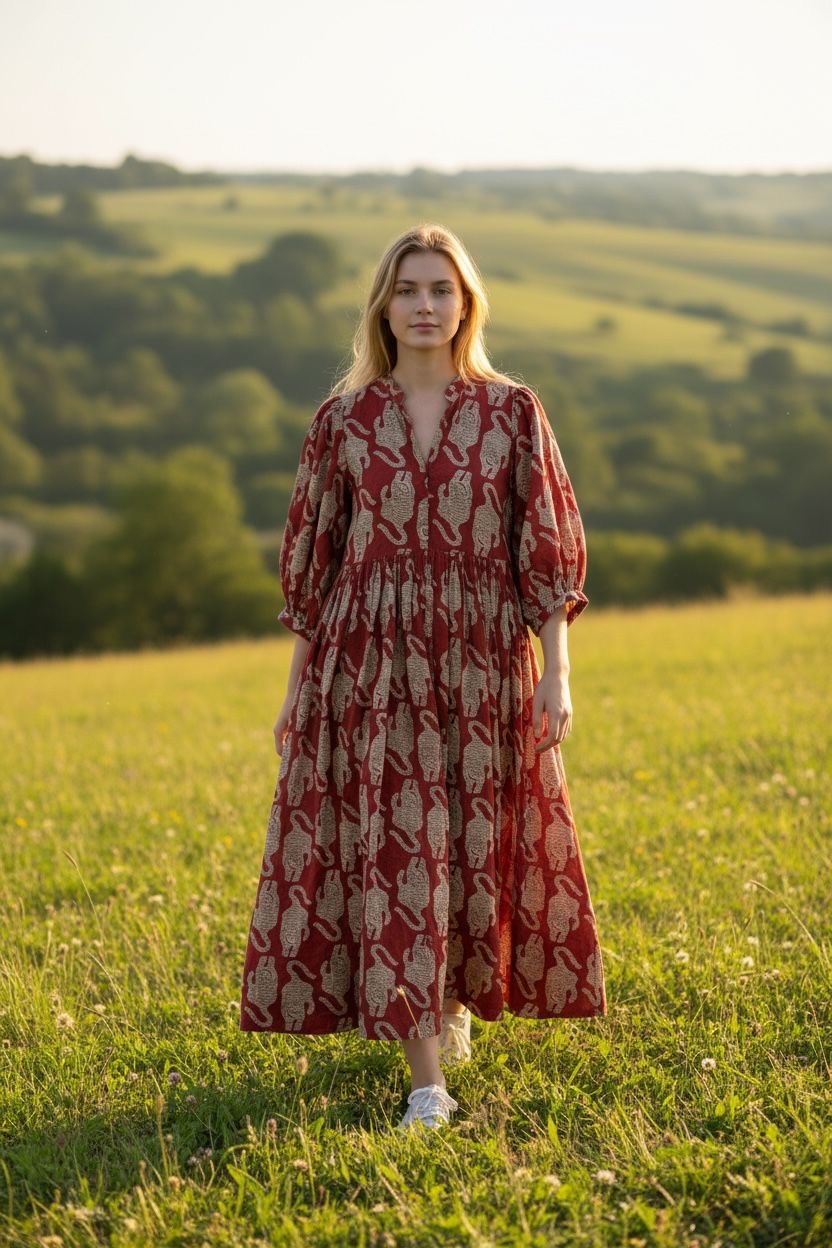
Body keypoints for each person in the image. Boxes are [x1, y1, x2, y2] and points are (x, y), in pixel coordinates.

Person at [239, 223, 607, 1132]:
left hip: (484, 659)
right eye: (407, 289)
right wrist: (295, 691)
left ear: (466, 302)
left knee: (472, 844)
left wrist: (557, 673)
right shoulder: (342, 423)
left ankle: (449, 1000)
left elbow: (547, 552)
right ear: (383, 306)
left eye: (442, 289)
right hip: (372, 664)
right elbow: (316, 570)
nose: (425, 306)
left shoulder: (514, 411)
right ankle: (426, 1082)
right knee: (397, 851)